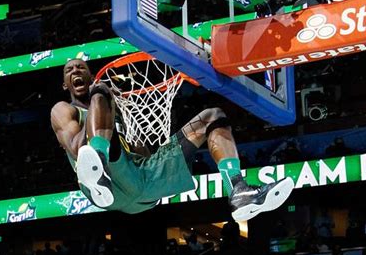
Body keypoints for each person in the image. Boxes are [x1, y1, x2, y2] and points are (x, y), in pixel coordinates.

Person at [50, 58, 294, 221]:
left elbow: (144, 158)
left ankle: (239, 191)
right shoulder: (63, 110)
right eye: (70, 70)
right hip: (106, 186)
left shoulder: (117, 117)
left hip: (142, 186)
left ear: (90, 75)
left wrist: (125, 123)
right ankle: (98, 168)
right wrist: (99, 95)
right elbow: (75, 149)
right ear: (64, 84)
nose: (76, 71)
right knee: (101, 102)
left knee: (213, 116)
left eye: (81, 67)